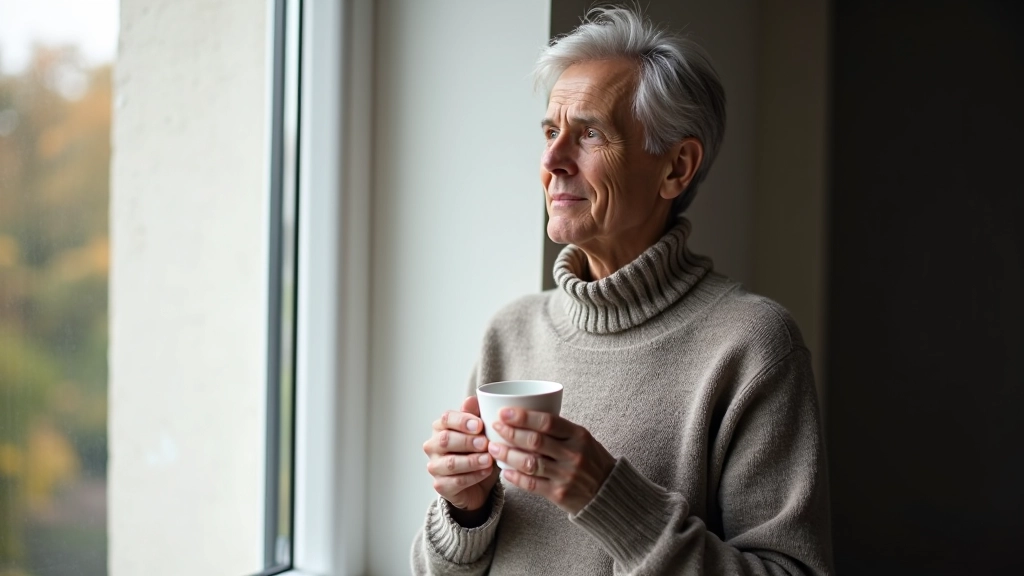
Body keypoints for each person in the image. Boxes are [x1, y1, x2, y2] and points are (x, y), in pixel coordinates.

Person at [412, 6, 833, 575]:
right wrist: (464, 512)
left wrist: (610, 499)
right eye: (549, 131)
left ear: (676, 168)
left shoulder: (753, 346)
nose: (552, 160)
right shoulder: (510, 332)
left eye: (588, 133)